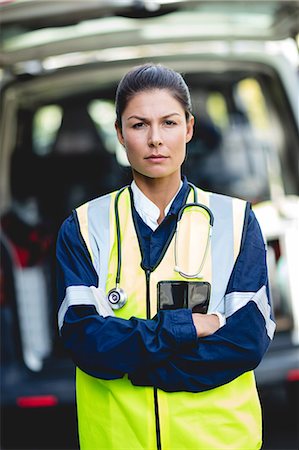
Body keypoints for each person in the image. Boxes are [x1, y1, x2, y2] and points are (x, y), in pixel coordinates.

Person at [56, 63, 275, 450]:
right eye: (139, 125)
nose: (156, 139)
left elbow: (245, 341)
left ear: (189, 128)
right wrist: (182, 329)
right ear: (120, 135)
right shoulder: (84, 227)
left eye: (169, 123)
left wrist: (138, 365)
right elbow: (85, 339)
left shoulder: (237, 222)